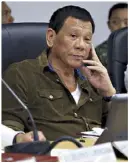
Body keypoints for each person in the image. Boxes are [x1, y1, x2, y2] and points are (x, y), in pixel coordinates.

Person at [2, 5, 116, 140]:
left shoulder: (94, 79)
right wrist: (20, 138)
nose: (81, 45)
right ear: (51, 37)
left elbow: (121, 130)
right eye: (73, 36)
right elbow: (9, 128)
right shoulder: (21, 73)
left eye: (87, 39)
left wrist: (109, 92)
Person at [95, 3, 128, 68]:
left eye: (126, 22)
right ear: (109, 25)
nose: (121, 26)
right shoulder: (98, 52)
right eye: (115, 22)